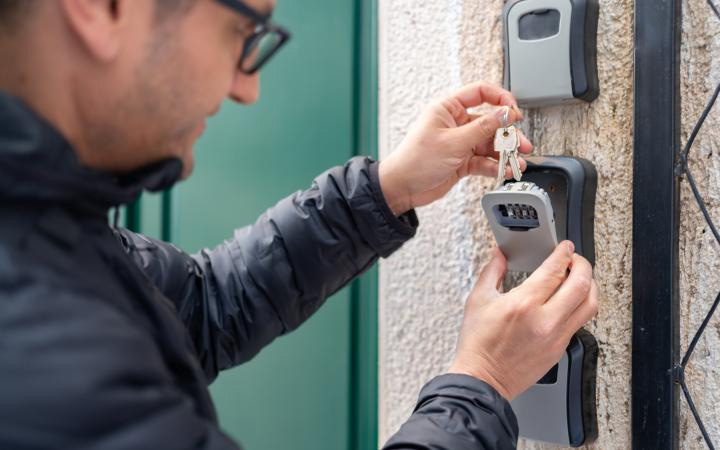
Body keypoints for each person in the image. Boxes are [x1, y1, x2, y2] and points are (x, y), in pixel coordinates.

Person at [0, 0, 599, 449]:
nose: (248, 88)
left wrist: (385, 191)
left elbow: (206, 308)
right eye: (241, 32)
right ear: (104, 8)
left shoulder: (44, 236)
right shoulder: (39, 342)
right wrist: (482, 383)